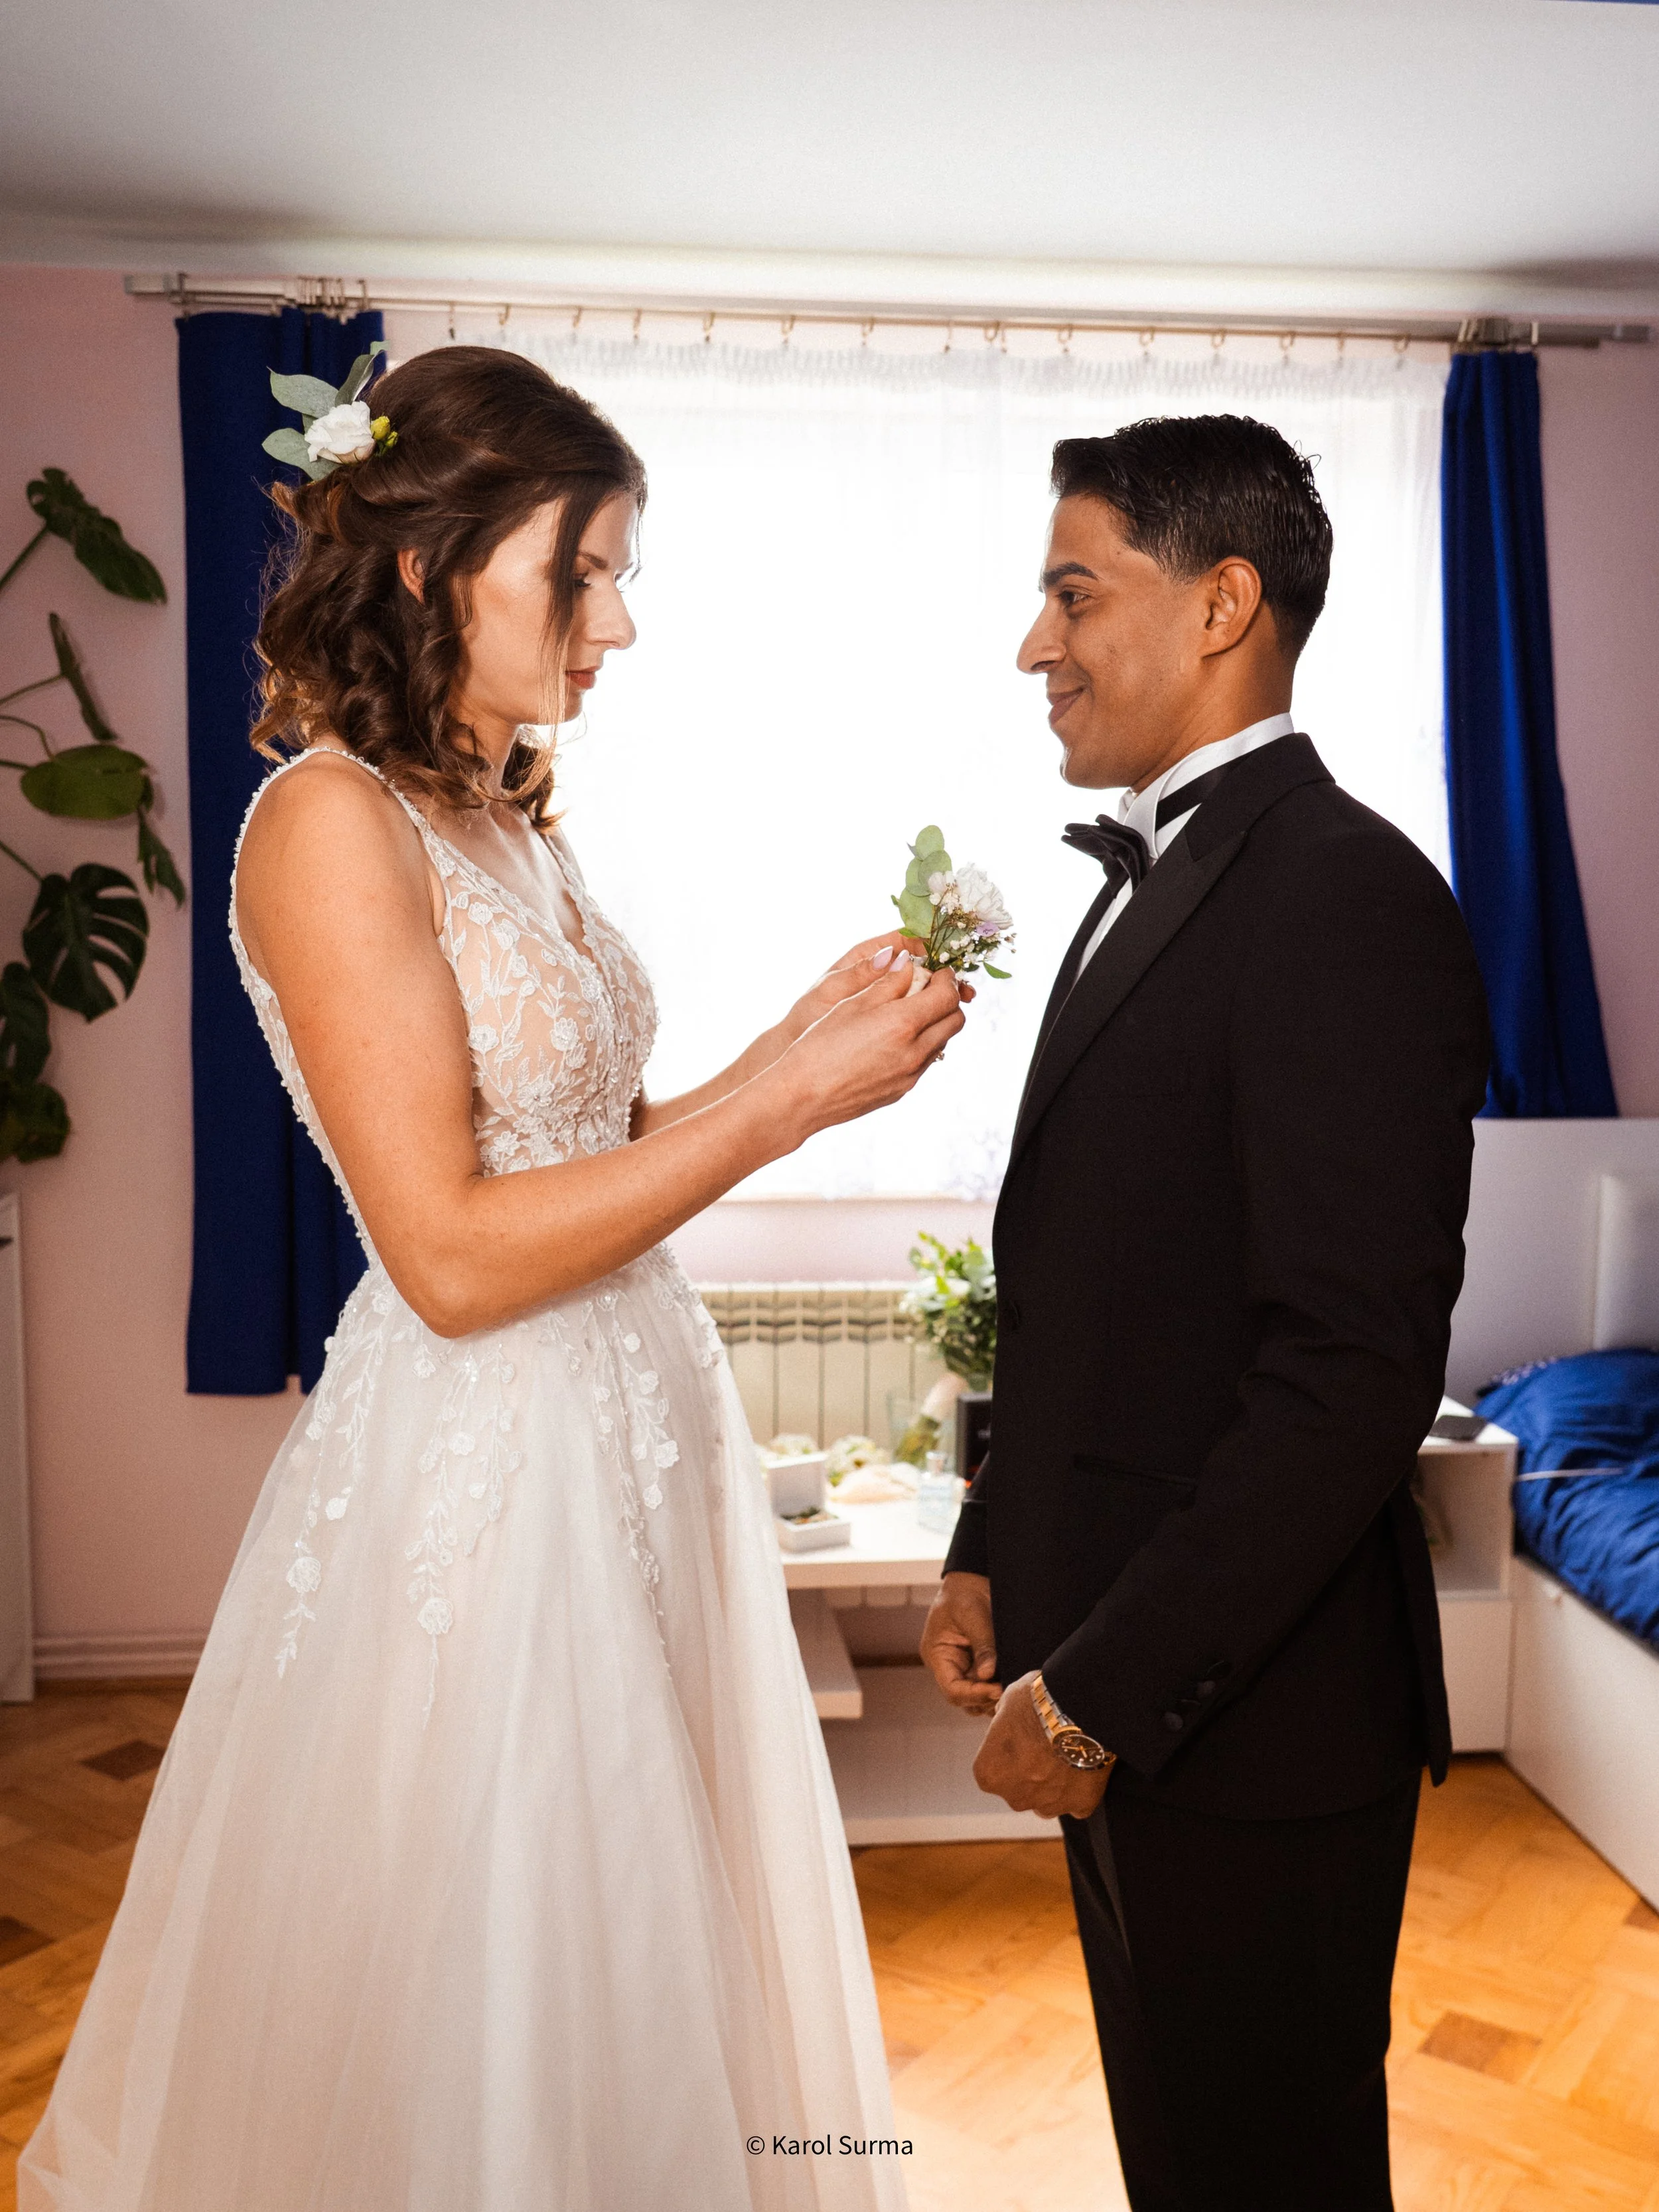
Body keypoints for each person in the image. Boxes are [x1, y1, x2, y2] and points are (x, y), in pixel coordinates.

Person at [22, 347, 961, 2211]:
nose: (619, 619)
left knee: (640, 1913)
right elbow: (447, 1250)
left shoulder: (511, 814)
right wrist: (782, 1104)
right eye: (587, 567)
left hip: (635, 1431)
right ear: (446, 560)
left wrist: (802, 1035)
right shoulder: (326, 827)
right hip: (488, 1460)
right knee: (489, 1932)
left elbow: (596, 1146)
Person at [919, 415, 1491, 2211]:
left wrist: (1092, 1692)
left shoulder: (1345, 895)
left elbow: (1345, 1375)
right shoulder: (1150, 881)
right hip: (1123, 1681)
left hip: (1245, 1716)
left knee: (1266, 2167)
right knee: (1182, 2151)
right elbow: (1095, 1289)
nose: (1036, 642)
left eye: (1072, 591)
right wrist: (989, 1538)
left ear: (1223, 602)